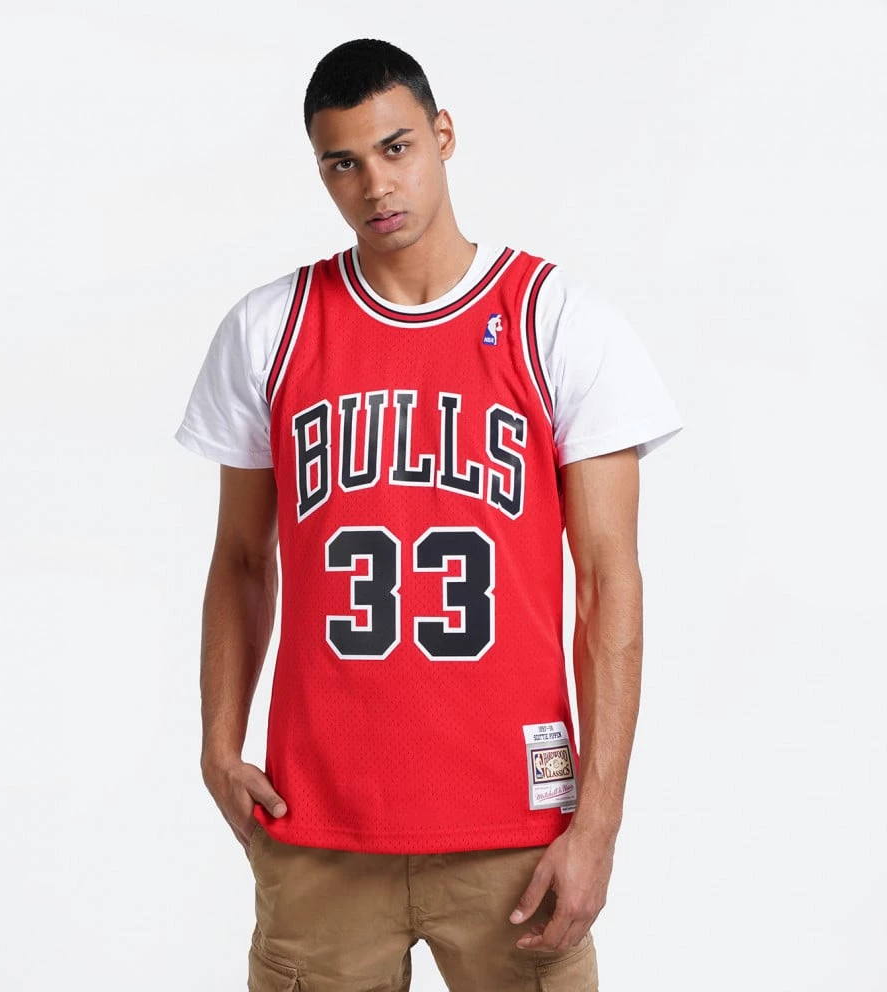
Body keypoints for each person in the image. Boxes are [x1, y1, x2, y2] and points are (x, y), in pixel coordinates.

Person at [174, 37, 682, 992]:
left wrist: (600, 822)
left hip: (517, 834)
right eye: (343, 163)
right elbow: (242, 557)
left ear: (443, 135)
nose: (375, 185)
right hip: (317, 828)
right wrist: (216, 745)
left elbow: (607, 584)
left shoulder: (558, 320)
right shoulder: (269, 328)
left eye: (396, 147)